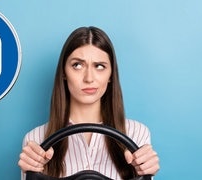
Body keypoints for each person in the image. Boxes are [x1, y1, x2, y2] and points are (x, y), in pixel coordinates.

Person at [18, 26, 160, 179]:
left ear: (111, 74)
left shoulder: (136, 134)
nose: (89, 78)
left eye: (99, 66)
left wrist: (146, 171)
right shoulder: (36, 139)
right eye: (77, 65)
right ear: (64, 72)